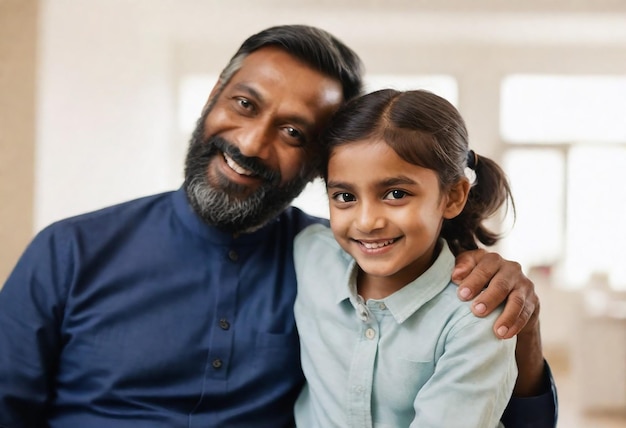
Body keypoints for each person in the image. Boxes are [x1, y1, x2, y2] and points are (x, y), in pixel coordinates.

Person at [0, 25, 556, 427]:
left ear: (319, 163)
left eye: (294, 133)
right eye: (244, 103)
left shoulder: (339, 258)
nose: (249, 144)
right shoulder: (69, 251)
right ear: (215, 91)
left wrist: (519, 325)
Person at [294, 88, 517, 427]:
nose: (367, 221)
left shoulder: (476, 320)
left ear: (453, 196)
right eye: (345, 196)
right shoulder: (310, 254)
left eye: (396, 194)